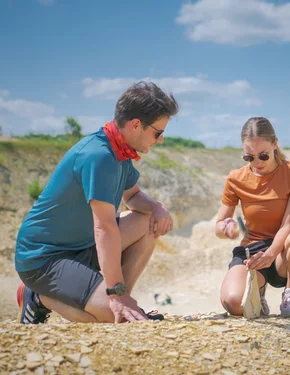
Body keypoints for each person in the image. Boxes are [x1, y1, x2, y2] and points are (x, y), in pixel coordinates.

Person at [15, 81, 179, 324]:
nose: (161, 139)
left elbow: (133, 197)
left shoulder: (120, 151)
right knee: (114, 321)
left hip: (82, 246)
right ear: (136, 125)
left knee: (147, 221)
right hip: (45, 258)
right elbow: (104, 228)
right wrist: (115, 292)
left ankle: (120, 300)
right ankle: (38, 297)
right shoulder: (99, 156)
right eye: (158, 132)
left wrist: (156, 207)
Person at [215, 117, 290, 318]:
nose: (256, 163)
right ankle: (259, 294)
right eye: (249, 157)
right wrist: (226, 228)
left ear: (275, 144)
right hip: (252, 251)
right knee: (232, 303)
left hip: (284, 250)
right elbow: (219, 226)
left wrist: (271, 254)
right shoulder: (235, 178)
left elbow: (289, 223)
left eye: (263, 156)